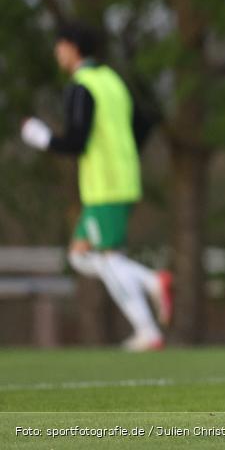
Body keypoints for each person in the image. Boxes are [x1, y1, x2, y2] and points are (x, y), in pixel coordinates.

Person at [20, 22, 172, 351]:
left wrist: (40, 137)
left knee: (105, 259)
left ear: (73, 47)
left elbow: (77, 141)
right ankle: (149, 288)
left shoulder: (82, 85)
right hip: (123, 178)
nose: (57, 52)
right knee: (79, 256)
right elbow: (144, 123)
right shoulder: (112, 81)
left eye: (60, 45)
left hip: (104, 185)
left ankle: (149, 317)